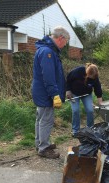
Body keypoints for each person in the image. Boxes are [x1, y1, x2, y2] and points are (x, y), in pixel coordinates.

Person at [31, 26, 70, 159]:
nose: (65, 45)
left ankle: (40, 143)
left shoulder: (46, 50)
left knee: (40, 118)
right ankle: (44, 148)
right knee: (46, 120)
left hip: (41, 91)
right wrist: (55, 95)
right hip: (45, 92)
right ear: (61, 38)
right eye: (66, 42)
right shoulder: (47, 52)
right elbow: (48, 77)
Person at [66, 63, 103, 136]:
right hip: (74, 93)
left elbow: (98, 89)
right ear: (87, 72)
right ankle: (75, 131)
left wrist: (100, 103)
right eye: (89, 76)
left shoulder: (95, 77)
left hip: (86, 94)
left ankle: (90, 129)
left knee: (90, 110)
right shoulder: (78, 71)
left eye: (92, 78)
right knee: (75, 110)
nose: (89, 78)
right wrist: (68, 90)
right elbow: (68, 79)